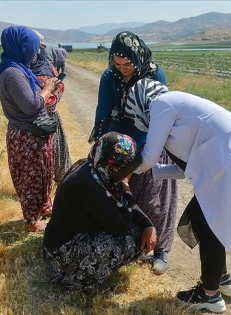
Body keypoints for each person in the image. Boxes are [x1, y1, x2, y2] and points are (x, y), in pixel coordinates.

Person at [124, 78, 231, 313]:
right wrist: (153, 172)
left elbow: (147, 157)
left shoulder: (161, 103)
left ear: (139, 105)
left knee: (207, 224)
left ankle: (210, 295)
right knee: (204, 220)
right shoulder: (176, 108)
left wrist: (125, 171)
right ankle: (222, 278)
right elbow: (186, 168)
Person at [90, 30, 178, 275]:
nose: (122, 69)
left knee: (155, 199)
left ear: (138, 57)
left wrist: (143, 154)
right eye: (116, 64)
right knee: (120, 193)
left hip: (151, 139)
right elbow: (103, 113)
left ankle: (161, 249)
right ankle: (134, 243)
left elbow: (159, 116)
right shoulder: (110, 77)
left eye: (127, 63)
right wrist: (103, 147)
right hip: (120, 145)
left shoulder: (154, 73)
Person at [43, 131, 157, 292]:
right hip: (60, 256)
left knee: (139, 229)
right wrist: (127, 191)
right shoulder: (90, 185)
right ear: (115, 166)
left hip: (72, 237)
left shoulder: (97, 170)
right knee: (129, 241)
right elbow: (120, 227)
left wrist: (148, 224)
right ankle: (78, 281)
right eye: (128, 170)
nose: (130, 174)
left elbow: (121, 205)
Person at [0, 25, 62, 232]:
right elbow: (31, 105)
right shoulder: (13, 73)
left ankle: (40, 209)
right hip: (28, 136)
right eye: (33, 48)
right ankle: (32, 222)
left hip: (31, 133)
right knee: (31, 179)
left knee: (40, 174)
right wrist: (47, 89)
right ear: (22, 47)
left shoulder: (17, 67)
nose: (35, 53)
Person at [30, 33, 72, 185]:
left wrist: (50, 98)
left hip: (50, 116)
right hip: (31, 120)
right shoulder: (21, 69)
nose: (36, 52)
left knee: (55, 151)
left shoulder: (47, 65)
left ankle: (58, 180)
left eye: (39, 48)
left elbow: (59, 85)